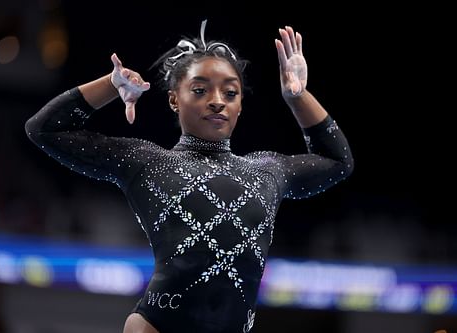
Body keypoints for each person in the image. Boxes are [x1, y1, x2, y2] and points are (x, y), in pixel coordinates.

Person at [25, 20, 354, 333]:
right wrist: (111, 86)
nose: (216, 102)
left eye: (230, 93)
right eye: (199, 90)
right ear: (173, 99)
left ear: (241, 105)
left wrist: (298, 98)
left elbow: (337, 162)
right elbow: (45, 129)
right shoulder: (149, 163)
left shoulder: (267, 170)